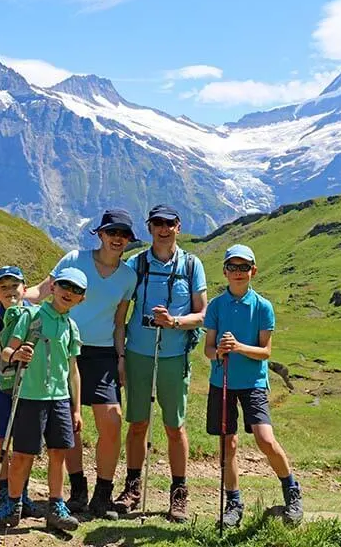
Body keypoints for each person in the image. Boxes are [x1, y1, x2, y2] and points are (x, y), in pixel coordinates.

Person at [23, 208, 137, 519]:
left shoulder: (128, 276)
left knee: (111, 421)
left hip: (102, 353)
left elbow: (119, 321)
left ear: (129, 240)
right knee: (68, 422)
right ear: (99, 234)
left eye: (123, 235)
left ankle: (102, 495)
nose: (117, 239)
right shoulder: (74, 259)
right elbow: (42, 291)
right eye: (112, 232)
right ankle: (77, 491)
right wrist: (9, 298)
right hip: (62, 348)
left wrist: (122, 358)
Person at [113, 204, 207, 523]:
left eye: (169, 223)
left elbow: (203, 314)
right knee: (137, 423)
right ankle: (133, 486)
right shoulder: (135, 263)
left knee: (174, 426)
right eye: (157, 223)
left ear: (178, 227)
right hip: (139, 352)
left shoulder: (192, 265)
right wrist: (121, 357)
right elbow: (120, 313)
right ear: (150, 227)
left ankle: (179, 492)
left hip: (174, 355)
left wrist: (175, 323)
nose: (163, 229)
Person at [203, 244, 303, 527]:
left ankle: (292, 490)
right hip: (221, 382)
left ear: (253, 271)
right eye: (233, 267)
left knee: (265, 439)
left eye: (243, 267)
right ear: (224, 271)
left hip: (253, 382)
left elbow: (266, 352)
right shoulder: (216, 306)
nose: (238, 273)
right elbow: (208, 350)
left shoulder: (262, 307)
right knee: (228, 444)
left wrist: (238, 347)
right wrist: (220, 351)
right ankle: (234, 503)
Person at [0, 267, 87, 531]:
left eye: (76, 290)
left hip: (60, 399)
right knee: (23, 455)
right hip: (30, 396)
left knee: (58, 454)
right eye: (65, 286)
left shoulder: (71, 326)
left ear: (82, 298)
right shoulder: (31, 315)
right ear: (53, 287)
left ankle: (55, 505)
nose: (69, 293)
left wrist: (76, 410)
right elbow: (8, 350)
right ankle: (12, 503)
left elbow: (73, 370)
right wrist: (17, 354)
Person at [0, 265, 38, 517]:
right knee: (2, 440)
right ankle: (4, 489)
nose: (10, 291)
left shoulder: (34, 315)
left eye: (14, 285)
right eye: (3, 287)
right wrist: (17, 356)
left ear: (24, 289)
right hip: (0, 387)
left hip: (28, 388)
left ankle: (19, 491)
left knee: (24, 444)